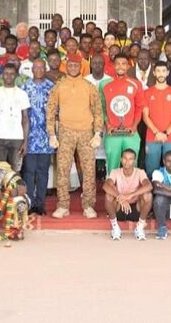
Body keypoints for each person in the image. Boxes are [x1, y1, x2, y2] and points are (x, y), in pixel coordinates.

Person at [46, 54, 103, 218]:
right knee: (63, 170)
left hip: (86, 132)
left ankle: (88, 205)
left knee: (89, 170)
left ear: (80, 67)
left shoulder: (89, 86)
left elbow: (97, 111)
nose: (73, 68)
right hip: (65, 132)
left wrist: (97, 133)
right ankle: (63, 205)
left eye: (76, 65)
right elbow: (50, 110)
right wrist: (52, 134)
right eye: (70, 65)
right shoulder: (59, 86)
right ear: (66, 66)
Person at [99, 54, 146, 172]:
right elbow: (102, 107)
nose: (120, 66)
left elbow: (139, 107)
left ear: (128, 66)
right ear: (113, 66)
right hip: (112, 132)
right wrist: (108, 125)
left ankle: (131, 184)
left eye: (123, 64)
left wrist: (134, 126)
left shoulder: (136, 84)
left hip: (131, 131)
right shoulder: (104, 84)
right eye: (118, 64)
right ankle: (112, 183)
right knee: (112, 165)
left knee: (131, 164)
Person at [20, 60, 55, 215]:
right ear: (32, 69)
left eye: (42, 67)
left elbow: (56, 110)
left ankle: (40, 204)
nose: (39, 70)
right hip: (29, 136)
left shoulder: (52, 87)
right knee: (28, 170)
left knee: (43, 171)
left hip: (46, 136)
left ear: (45, 69)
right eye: (36, 67)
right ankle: (29, 202)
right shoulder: (24, 87)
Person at [0, 64, 30, 173]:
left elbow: (25, 119)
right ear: (2, 75)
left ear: (16, 76)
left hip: (17, 138)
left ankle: (15, 186)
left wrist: (25, 142)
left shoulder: (22, 94)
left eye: (12, 74)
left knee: (15, 172)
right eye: (6, 74)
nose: (9, 76)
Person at [103, 149, 153, 241]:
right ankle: (115, 227)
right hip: (119, 207)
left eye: (130, 159)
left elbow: (149, 186)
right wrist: (120, 197)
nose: (127, 161)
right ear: (121, 159)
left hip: (136, 208)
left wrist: (130, 195)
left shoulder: (140, 172)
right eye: (125, 158)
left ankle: (140, 227)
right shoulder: (115, 172)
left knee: (148, 195)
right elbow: (105, 186)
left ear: (134, 160)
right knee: (108, 195)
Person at [142, 62, 171, 177]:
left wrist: (166, 133)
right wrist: (157, 132)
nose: (161, 74)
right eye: (158, 71)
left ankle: (170, 188)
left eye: (163, 71)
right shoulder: (147, 93)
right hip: (152, 136)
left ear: (168, 73)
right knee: (151, 169)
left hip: (170, 137)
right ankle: (152, 188)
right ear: (154, 73)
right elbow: (145, 116)